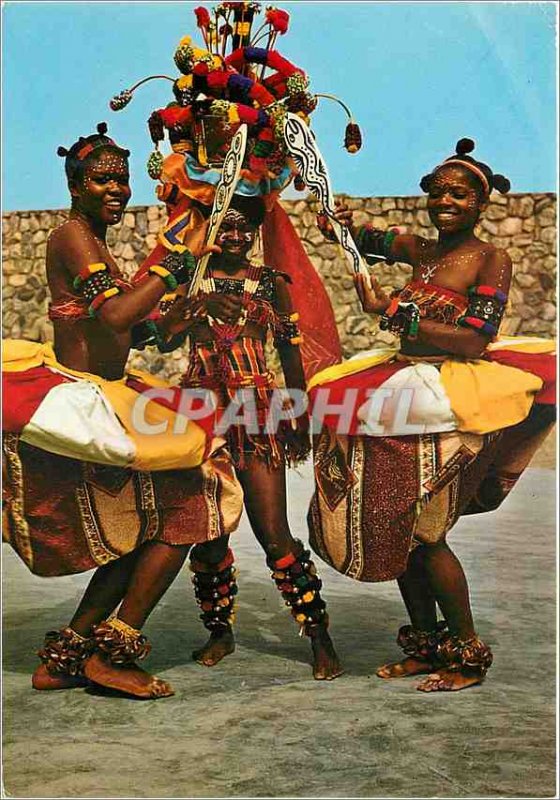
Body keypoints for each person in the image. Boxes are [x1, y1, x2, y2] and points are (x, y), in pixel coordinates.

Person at [2, 123, 243, 699]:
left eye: (123, 180)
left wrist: (179, 316)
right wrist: (173, 263)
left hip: (108, 392)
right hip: (86, 402)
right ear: (75, 185)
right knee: (190, 503)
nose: (117, 189)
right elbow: (112, 317)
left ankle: (68, 658)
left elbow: (131, 330)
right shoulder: (72, 235)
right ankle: (113, 649)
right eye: (102, 179)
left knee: (147, 528)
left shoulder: (92, 241)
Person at [309, 138, 555, 691]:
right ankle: (426, 645)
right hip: (405, 389)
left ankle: (465, 654)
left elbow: (475, 341)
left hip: (451, 399)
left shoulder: (492, 258)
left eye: (460, 194)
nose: (447, 201)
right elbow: (365, 240)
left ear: (481, 202)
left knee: (427, 529)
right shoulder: (425, 252)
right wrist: (338, 222)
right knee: (405, 527)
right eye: (439, 192)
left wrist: (393, 311)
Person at [152, 193, 343, 680]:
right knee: (209, 533)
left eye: (245, 229)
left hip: (257, 414)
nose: (236, 237)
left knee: (272, 531)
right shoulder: (189, 280)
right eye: (227, 227)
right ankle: (220, 633)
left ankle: (319, 635)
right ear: (212, 230)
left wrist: (298, 411)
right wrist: (196, 306)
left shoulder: (270, 284)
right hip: (202, 415)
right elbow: (165, 337)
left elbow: (291, 352)